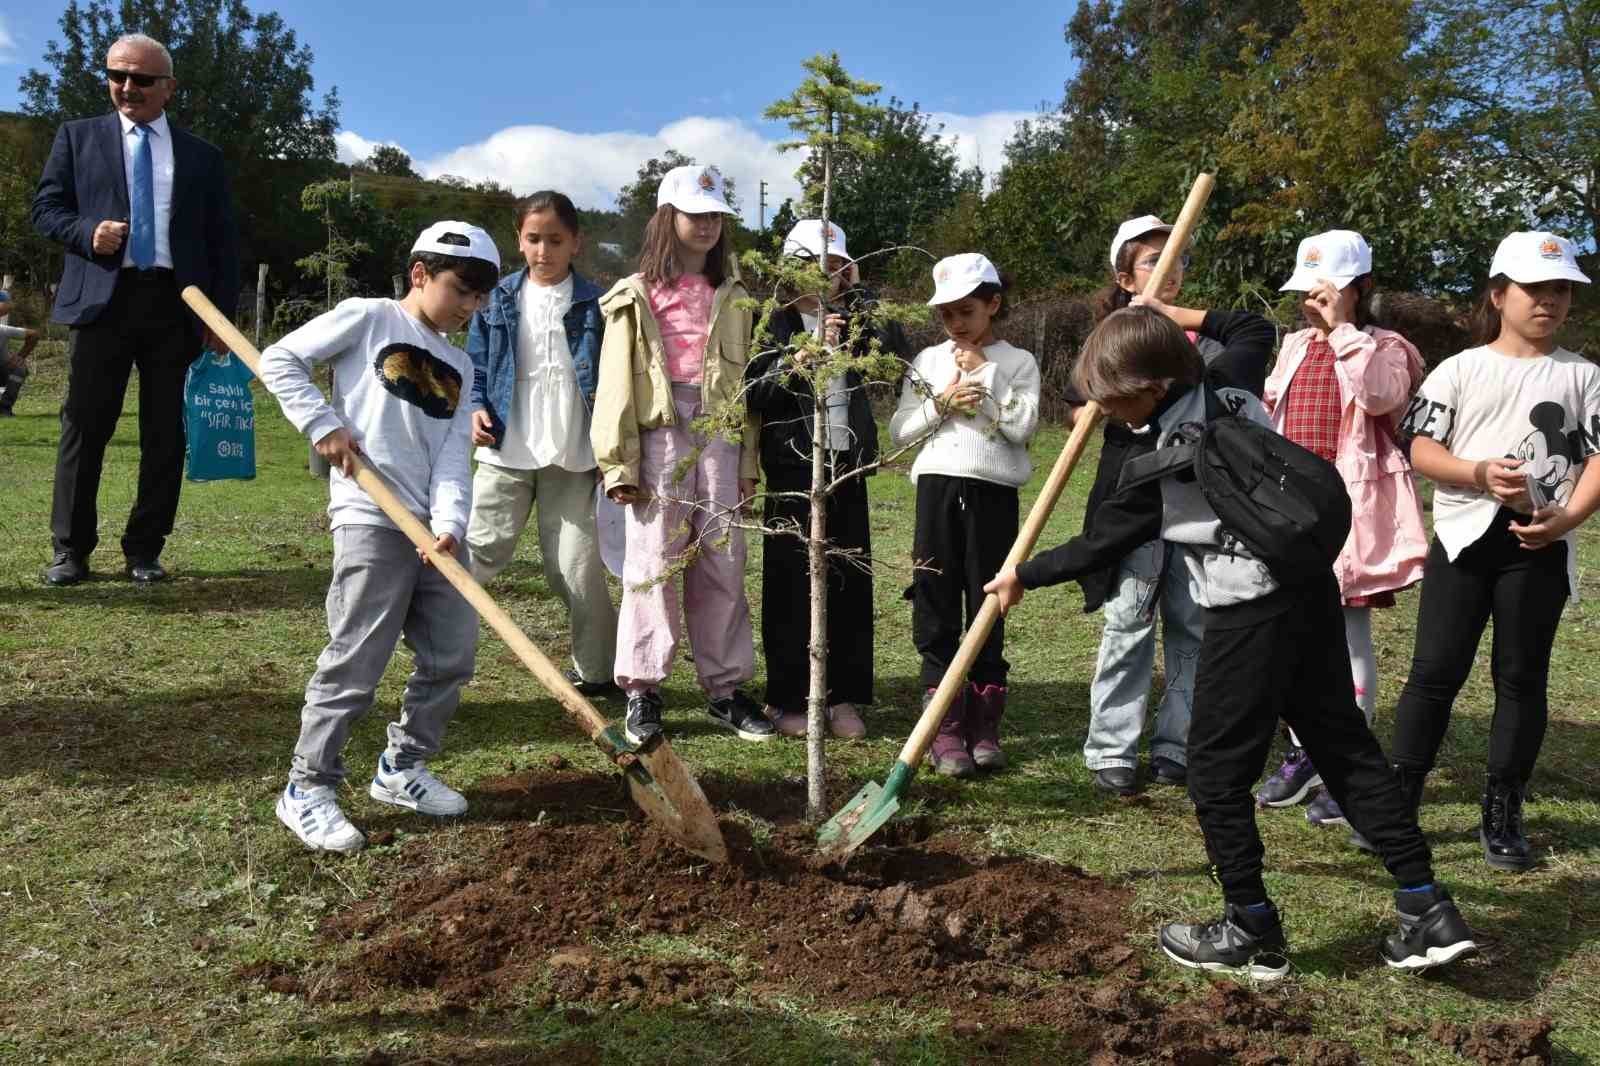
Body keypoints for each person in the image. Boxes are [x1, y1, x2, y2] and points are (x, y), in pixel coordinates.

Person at [986, 306, 1478, 978]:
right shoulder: (1233, 383)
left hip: (1250, 611)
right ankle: (1427, 905)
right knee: (1342, 746)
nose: (1102, 408)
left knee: (1215, 774)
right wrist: (1174, 313)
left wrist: (1022, 575)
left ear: (1153, 385)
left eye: (1112, 395)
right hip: (1310, 590)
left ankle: (1250, 926)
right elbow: (1250, 328)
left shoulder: (1169, 456)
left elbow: (1104, 538)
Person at [257, 222, 499, 853]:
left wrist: (449, 524)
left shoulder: (459, 363)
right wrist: (322, 422)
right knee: (357, 659)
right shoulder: (368, 318)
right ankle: (307, 788)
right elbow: (280, 359)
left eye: (480, 297)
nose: (470, 306)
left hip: (433, 530)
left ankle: (403, 767)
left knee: (452, 653)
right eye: (462, 290)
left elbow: (452, 457)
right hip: (370, 514)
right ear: (420, 273)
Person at [1390, 231, 1599, 872]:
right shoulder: (1460, 369)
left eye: (1560, 289)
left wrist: (1566, 517)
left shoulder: (1584, 375)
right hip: (1461, 540)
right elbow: (1421, 449)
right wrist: (1478, 472)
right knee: (1433, 674)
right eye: (1534, 289)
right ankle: (1396, 803)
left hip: (1540, 544)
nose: (1549, 301)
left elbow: (1596, 460)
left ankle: (1503, 807)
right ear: (1498, 294)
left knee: (1520, 679)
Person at [1066, 216, 1275, 796]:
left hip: (1198, 509)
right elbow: (1078, 405)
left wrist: (1177, 320)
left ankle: (1176, 745)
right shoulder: (1108, 336)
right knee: (1127, 622)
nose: (1170, 268)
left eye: (1178, 257)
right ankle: (1111, 749)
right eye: (1154, 259)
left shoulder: (1205, 342)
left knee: (1193, 624)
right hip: (1133, 505)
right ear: (1124, 275)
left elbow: (1252, 337)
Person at [31, 32, 238, 586]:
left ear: (168, 88)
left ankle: (145, 549)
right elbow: (45, 209)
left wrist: (220, 319)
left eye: (142, 79)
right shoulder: (77, 138)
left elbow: (223, 242)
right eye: (116, 76)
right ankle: (70, 551)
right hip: (102, 301)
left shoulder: (202, 156)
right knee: (84, 427)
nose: (127, 87)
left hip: (177, 306)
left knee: (165, 433)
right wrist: (85, 231)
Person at [590, 164, 774, 745]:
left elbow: (747, 393)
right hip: (659, 437)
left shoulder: (737, 295)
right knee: (653, 564)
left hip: (721, 433)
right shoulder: (635, 294)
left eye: (717, 215)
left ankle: (725, 690)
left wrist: (747, 465)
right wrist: (619, 464)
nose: (708, 224)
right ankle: (643, 691)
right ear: (669, 219)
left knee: (724, 559)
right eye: (696, 214)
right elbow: (615, 381)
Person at [1256, 231, 1428, 838]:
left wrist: (1345, 333)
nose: (1311, 304)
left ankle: (1344, 768)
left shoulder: (1388, 348)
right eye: (1305, 293)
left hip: (1349, 511)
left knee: (1347, 633)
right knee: (1292, 630)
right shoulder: (1296, 345)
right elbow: (1273, 410)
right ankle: (1305, 748)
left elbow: (1383, 398)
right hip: (1288, 506)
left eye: (1324, 292)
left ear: (1360, 289)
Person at [744, 220, 910, 740]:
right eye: (816, 268)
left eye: (837, 268)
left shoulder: (854, 316)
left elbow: (893, 352)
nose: (826, 278)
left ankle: (841, 695)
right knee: (791, 583)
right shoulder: (772, 321)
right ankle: (789, 697)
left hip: (848, 465)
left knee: (848, 580)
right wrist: (796, 361)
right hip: (795, 467)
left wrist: (860, 295)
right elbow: (754, 390)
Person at [464, 190, 619, 699]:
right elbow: (477, 365)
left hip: (573, 456)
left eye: (555, 240)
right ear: (519, 241)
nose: (543, 251)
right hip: (506, 448)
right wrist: (475, 406)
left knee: (575, 568)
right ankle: (440, 659)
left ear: (576, 242)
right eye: (533, 239)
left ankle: (597, 673)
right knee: (476, 553)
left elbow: (614, 378)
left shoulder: (598, 303)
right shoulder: (498, 298)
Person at [889, 253, 1040, 776]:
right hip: (936, 486)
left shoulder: (1017, 362)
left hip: (993, 493)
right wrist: (942, 404)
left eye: (967, 310)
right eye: (947, 313)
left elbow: (1021, 429)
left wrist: (988, 380)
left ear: (992, 304)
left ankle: (983, 724)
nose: (956, 323)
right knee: (934, 597)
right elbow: (900, 430)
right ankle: (943, 726)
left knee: (988, 597)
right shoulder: (929, 361)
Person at [0, 289, 42, 416]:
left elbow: (34, 335)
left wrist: (20, 356)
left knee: (20, 369)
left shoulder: (2, 330)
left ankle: (4, 408)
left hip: (2, 371)